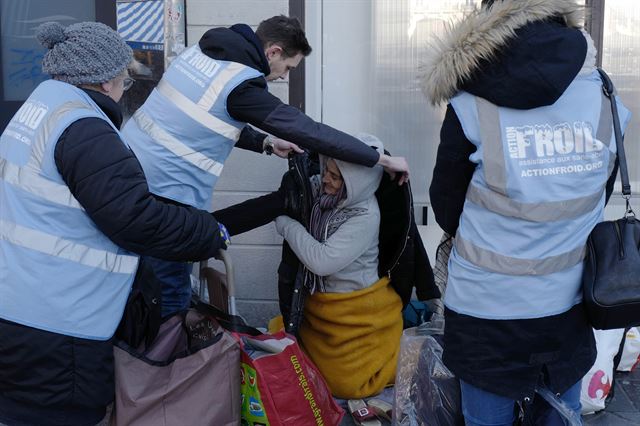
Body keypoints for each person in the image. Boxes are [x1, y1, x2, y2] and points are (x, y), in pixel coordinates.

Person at [0, 22, 230, 426]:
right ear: (105, 79)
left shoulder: (42, 107)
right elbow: (135, 219)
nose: (126, 86)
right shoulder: (84, 127)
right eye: (125, 77)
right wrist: (207, 233)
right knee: (60, 416)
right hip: (59, 321)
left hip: (19, 302)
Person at [422, 0, 631, 424]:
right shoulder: (603, 91)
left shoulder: (470, 102)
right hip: (569, 306)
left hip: (485, 312)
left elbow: (447, 208)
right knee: (562, 414)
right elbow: (599, 191)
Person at [121, 15, 411, 318]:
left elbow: (206, 119)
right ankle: (163, 361)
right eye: (288, 67)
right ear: (272, 52)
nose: (285, 76)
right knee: (169, 295)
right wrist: (379, 159)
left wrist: (267, 144)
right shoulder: (241, 85)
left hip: (130, 172)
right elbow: (309, 131)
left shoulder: (203, 53)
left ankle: (142, 353)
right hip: (164, 194)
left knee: (140, 285)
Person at [272, 135, 404, 399]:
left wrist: (287, 225)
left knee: (347, 384)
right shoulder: (325, 195)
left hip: (353, 312)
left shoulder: (365, 215)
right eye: (327, 171)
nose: (326, 181)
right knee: (295, 363)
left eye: (336, 177)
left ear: (357, 184)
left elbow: (322, 261)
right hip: (321, 306)